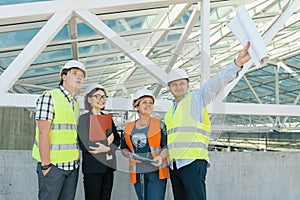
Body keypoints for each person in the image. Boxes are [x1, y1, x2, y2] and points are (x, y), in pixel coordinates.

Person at [165, 42, 251, 200]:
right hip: (175, 164)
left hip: (193, 161)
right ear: (170, 88)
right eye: (174, 85)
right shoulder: (170, 111)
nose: (178, 87)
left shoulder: (196, 98)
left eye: (181, 83)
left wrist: (237, 64)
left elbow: (216, 82)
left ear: (188, 85)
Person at [32, 60, 87, 200]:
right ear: (64, 76)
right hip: (53, 167)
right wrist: (46, 166)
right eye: (75, 73)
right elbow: (43, 132)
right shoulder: (50, 97)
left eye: (82, 75)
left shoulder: (74, 103)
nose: (79, 77)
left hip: (72, 167)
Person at [121, 89, 169, 200]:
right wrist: (129, 155)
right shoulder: (128, 127)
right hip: (138, 171)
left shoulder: (160, 125)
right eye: (144, 102)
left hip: (156, 171)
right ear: (137, 106)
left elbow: (166, 146)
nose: (148, 105)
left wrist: (161, 157)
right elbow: (124, 148)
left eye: (150, 103)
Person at [77, 83, 120, 200]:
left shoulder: (108, 118)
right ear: (89, 99)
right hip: (93, 168)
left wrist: (108, 148)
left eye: (104, 97)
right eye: (98, 96)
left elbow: (116, 139)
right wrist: (106, 144)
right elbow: (84, 144)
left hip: (108, 167)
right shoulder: (84, 119)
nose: (101, 99)